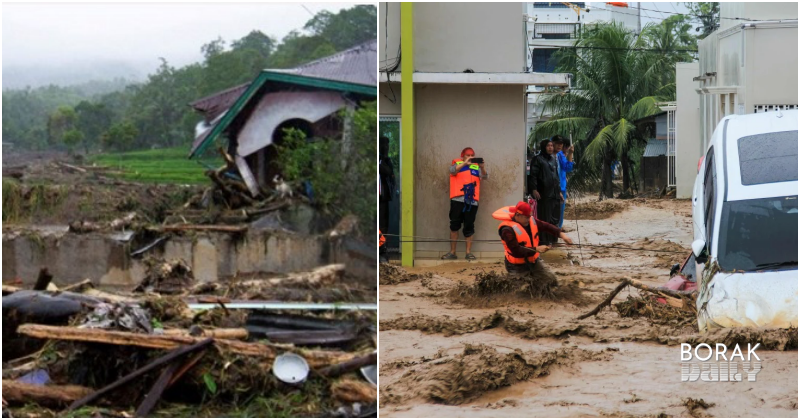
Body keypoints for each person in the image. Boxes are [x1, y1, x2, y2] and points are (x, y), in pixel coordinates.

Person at [492, 201, 573, 277]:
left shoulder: (530, 220)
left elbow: (546, 226)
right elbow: (516, 251)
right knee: (523, 288)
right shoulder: (507, 230)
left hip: (534, 261)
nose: (528, 219)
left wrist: (562, 234)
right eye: (526, 217)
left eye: (529, 216)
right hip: (516, 266)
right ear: (517, 215)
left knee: (550, 279)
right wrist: (536, 249)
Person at [442, 147, 488, 260]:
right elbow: (452, 171)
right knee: (454, 225)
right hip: (457, 200)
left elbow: (485, 177)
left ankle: (468, 253)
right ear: (462, 156)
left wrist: (482, 167)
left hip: (472, 201)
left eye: (472, 155)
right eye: (468, 155)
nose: (470, 157)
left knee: (469, 226)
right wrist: (464, 163)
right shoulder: (456, 164)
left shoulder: (476, 167)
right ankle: (452, 252)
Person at [528, 139, 560, 245]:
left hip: (555, 193)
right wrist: (534, 189)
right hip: (544, 193)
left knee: (555, 218)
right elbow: (533, 175)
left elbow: (556, 176)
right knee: (544, 218)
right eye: (548, 146)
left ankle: (553, 240)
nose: (550, 147)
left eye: (551, 145)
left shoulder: (553, 159)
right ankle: (544, 241)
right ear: (543, 147)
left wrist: (559, 191)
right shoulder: (537, 159)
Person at [552, 136, 575, 228]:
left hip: (561, 186)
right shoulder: (560, 155)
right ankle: (557, 229)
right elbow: (568, 167)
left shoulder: (559, 155)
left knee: (559, 211)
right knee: (559, 211)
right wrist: (570, 154)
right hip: (559, 187)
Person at [379, 136, 395, 261]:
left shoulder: (385, 160)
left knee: (383, 226)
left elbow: (389, 172)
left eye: (387, 146)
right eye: (383, 145)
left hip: (383, 198)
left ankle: (382, 251)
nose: (386, 148)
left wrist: (381, 160)